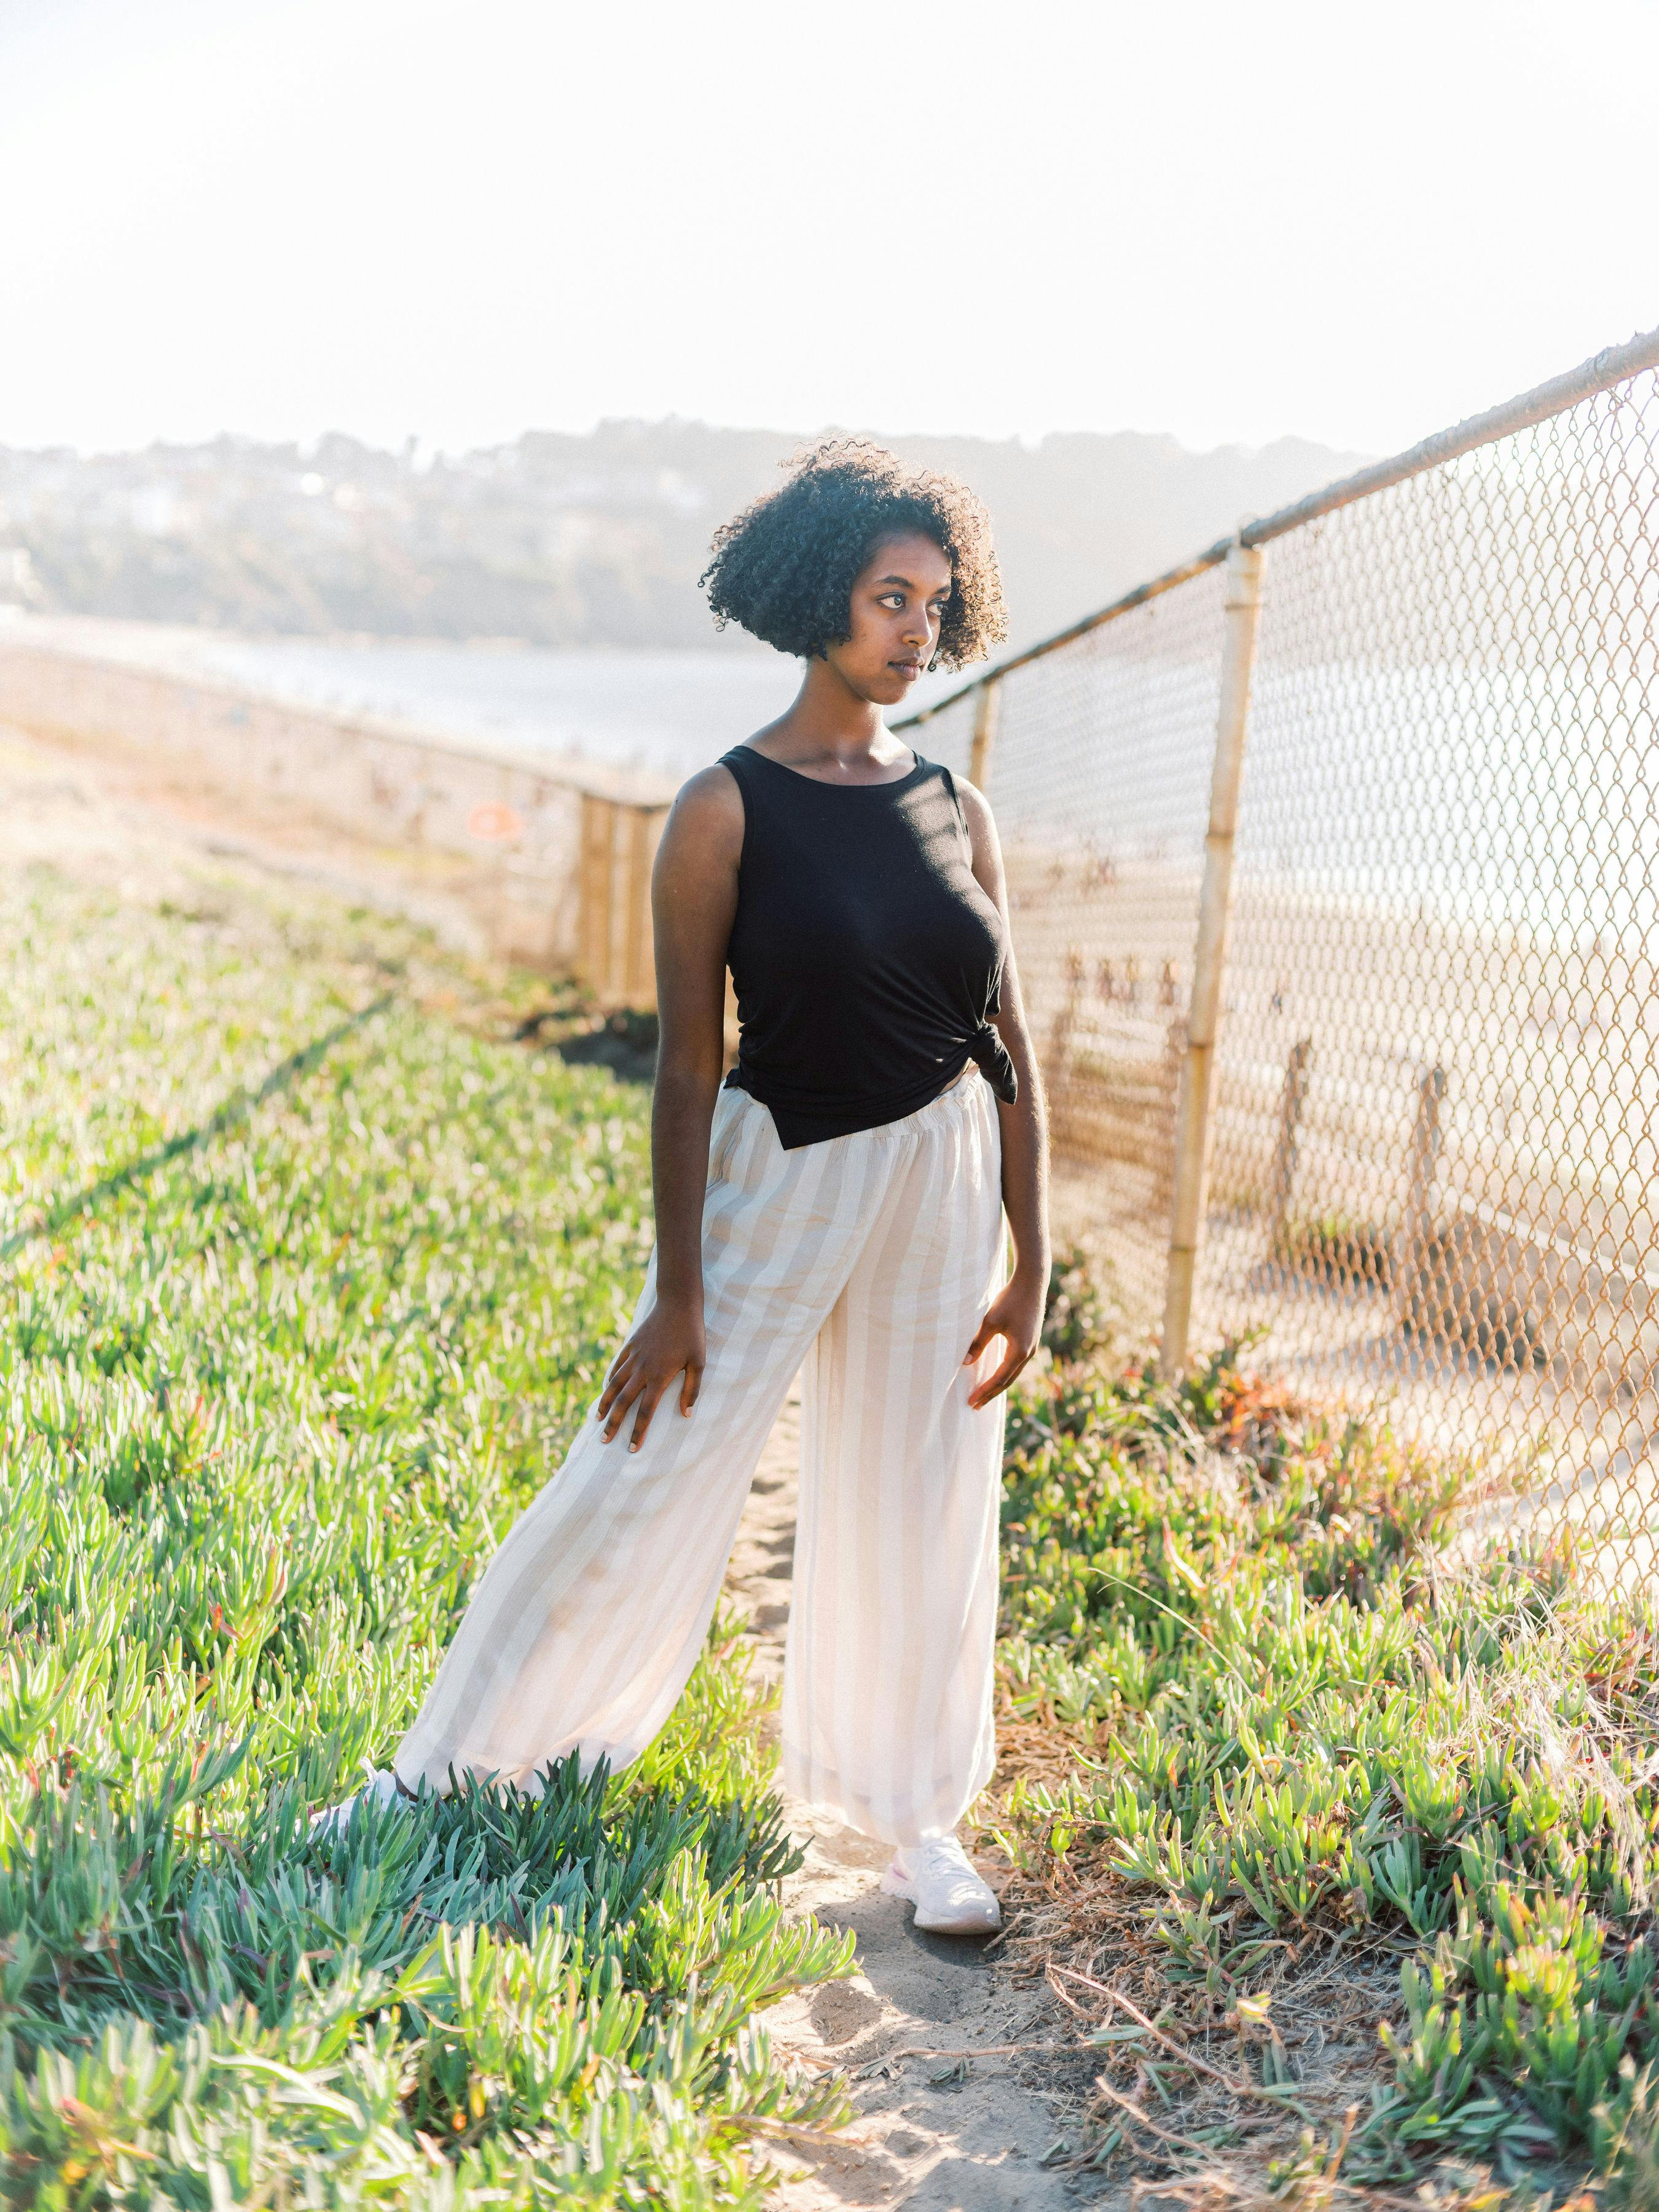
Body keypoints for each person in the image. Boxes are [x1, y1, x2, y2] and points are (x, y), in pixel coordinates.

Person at [318, 440, 1050, 1936]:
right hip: (786, 1172)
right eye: (886, 597)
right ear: (812, 601)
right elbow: (686, 1070)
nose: (914, 629)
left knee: (924, 1485)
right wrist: (677, 1289)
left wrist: (1032, 1257)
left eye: (936, 602)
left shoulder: (959, 806)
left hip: (946, 1175)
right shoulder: (722, 807)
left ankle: (915, 1825)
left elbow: (1013, 1045)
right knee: (645, 1461)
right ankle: (442, 1769)